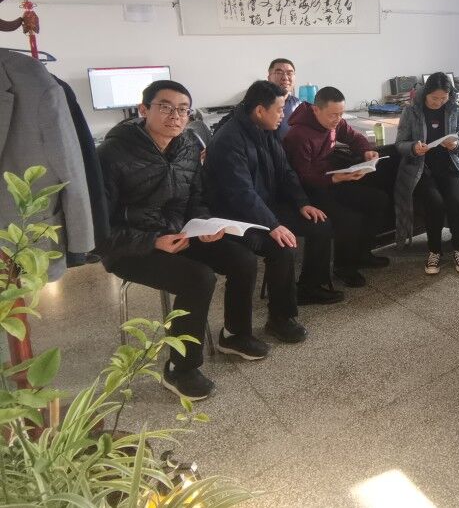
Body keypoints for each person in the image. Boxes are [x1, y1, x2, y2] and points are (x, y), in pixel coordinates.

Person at [98, 80, 267, 401]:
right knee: (198, 278)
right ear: (143, 109)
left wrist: (204, 224)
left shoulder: (188, 144)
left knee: (243, 259)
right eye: (165, 107)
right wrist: (154, 241)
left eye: (183, 110)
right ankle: (180, 368)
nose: (175, 116)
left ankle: (234, 335)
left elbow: (196, 198)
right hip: (129, 246)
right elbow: (99, 228)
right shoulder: (111, 154)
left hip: (180, 232)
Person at [205, 81, 340, 345]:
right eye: (279, 109)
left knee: (320, 223)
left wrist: (302, 203)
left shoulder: (266, 130)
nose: (283, 115)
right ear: (259, 111)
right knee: (282, 247)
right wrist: (273, 224)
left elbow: (286, 171)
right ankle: (280, 318)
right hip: (236, 216)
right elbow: (241, 193)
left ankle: (309, 287)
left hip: (264, 205)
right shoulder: (229, 140)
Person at [283, 86, 391, 288]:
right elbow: (302, 176)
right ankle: (344, 267)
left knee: (378, 199)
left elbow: (354, 137)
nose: (338, 119)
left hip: (331, 180)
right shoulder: (298, 135)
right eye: (333, 115)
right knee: (349, 218)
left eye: (341, 114)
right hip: (308, 192)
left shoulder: (335, 122)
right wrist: (335, 179)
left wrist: (366, 151)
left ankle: (363, 254)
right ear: (316, 110)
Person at [394, 72, 459, 275]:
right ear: (426, 94)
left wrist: (456, 144)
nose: (439, 102)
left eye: (443, 98)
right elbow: (400, 144)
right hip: (422, 169)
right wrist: (414, 148)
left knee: (457, 204)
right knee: (435, 204)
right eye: (434, 98)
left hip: (451, 166)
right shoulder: (411, 110)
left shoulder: (454, 108)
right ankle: (434, 251)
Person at [266, 58, 300, 139]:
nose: (285, 78)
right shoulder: (259, 103)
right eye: (279, 73)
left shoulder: (299, 105)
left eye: (290, 73)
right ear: (269, 78)